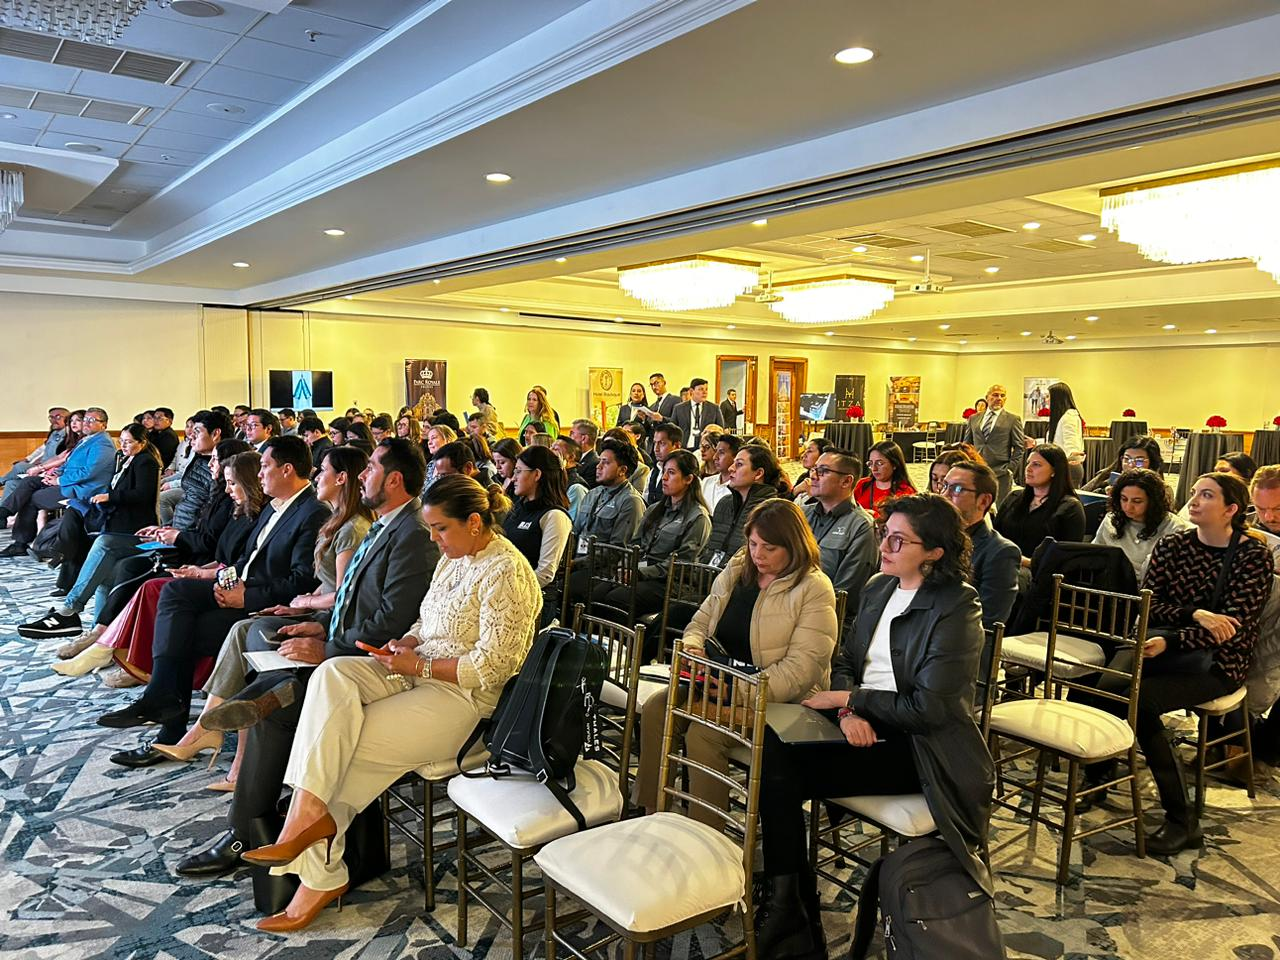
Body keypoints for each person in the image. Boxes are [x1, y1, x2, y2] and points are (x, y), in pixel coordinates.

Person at [236, 475, 540, 932]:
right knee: (333, 674)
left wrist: (417, 666)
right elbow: (426, 618)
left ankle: (316, 870)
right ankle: (306, 816)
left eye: (440, 529)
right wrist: (406, 643)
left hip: (465, 701)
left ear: (474, 523)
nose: (433, 538)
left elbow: (491, 668)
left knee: (341, 743)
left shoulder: (508, 571)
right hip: (416, 670)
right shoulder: (453, 557)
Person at [174, 440, 439, 877]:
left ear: (393, 479)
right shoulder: (385, 524)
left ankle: (247, 827)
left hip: (377, 662)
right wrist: (319, 625)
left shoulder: (411, 532)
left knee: (277, 708)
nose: (362, 475)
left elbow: (394, 619)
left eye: (369, 467)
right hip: (350, 648)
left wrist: (328, 646)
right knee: (270, 652)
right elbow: (354, 598)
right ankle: (265, 780)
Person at [754, 493, 992, 958]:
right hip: (864, 720)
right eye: (885, 534)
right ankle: (788, 906)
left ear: (935, 552)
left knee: (778, 771)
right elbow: (845, 659)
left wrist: (850, 700)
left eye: (899, 540)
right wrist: (848, 713)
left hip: (921, 748)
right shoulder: (881, 586)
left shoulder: (957, 607)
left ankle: (790, 912)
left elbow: (930, 709)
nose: (884, 545)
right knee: (770, 745)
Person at [1079, 472, 1274, 854]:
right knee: (1100, 688)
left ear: (1231, 510)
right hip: (1161, 642)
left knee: (1144, 703)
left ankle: (1182, 820)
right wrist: (1197, 614)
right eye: (1196, 493)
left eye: (1207, 495)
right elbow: (1151, 602)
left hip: (1217, 663)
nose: (1195, 500)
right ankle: (1099, 774)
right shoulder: (1174, 545)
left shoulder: (1252, 556)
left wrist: (1174, 637)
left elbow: (1233, 627)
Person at [95, 436, 329, 745]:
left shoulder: (311, 512)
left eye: (265, 467)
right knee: (174, 592)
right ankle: (163, 702)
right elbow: (246, 559)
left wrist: (244, 596)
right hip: (240, 587)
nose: (259, 475)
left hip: (266, 602)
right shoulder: (275, 507)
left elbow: (302, 581)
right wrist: (223, 581)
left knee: (184, 629)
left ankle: (169, 721)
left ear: (286, 470)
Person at [636, 498, 836, 826]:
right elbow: (701, 619)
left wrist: (736, 692)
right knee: (659, 708)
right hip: (721, 678)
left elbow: (801, 670)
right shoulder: (741, 564)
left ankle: (707, 834)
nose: (758, 554)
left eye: (769, 548)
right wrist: (693, 648)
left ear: (794, 546)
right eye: (753, 543)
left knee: (703, 734)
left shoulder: (813, 587)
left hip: (780, 698)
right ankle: (652, 811)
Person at [17, 423, 162, 639]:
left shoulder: (145, 462)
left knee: (102, 545)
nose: (123, 445)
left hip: (136, 529)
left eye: (128, 442)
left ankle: (70, 608)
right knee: (103, 571)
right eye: (121, 441)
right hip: (117, 523)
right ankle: (97, 630)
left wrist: (109, 497)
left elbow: (142, 495)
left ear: (141, 443)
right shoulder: (124, 459)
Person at [600, 450, 710, 639]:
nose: (664, 478)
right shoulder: (655, 509)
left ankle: (625, 649)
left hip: (670, 582)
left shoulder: (698, 517)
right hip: (641, 572)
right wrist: (625, 567)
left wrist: (640, 573)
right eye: (664, 472)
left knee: (617, 599)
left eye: (672, 473)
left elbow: (680, 563)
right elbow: (635, 546)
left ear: (689, 479)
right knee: (598, 592)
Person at [0, 407, 117, 557]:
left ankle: (19, 543)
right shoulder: (86, 440)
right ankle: (4, 513)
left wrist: (59, 480)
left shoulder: (102, 444)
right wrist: (54, 474)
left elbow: (89, 472)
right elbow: (68, 464)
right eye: (85, 419)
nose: (86, 423)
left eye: (92, 420)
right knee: (30, 482)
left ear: (104, 425)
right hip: (69, 482)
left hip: (83, 489)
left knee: (31, 498)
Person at [942, 460, 1020, 629]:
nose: (945, 495)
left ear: (983, 501)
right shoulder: (931, 540)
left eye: (957, 489)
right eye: (944, 486)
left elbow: (989, 622)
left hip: (960, 646)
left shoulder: (1000, 552)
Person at [502, 445, 572, 625]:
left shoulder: (554, 516)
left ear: (537, 474)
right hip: (505, 593)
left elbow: (545, 573)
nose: (513, 478)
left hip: (533, 600)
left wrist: (507, 592)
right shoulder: (518, 507)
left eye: (518, 471)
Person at [803, 449, 878, 610]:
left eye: (823, 471)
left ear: (846, 481)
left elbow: (846, 594)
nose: (813, 476)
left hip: (826, 617)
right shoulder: (802, 514)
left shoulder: (861, 526)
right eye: (814, 469)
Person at [994, 442, 1087, 564]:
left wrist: (1026, 562)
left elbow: (1067, 558)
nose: (1028, 468)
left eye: (1036, 465)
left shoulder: (1070, 508)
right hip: (1002, 565)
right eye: (1028, 463)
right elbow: (995, 536)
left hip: (1039, 574)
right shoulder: (1014, 498)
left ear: (1054, 471)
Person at [1092, 468, 1191, 580]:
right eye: (1124, 499)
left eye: (1137, 501)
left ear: (1153, 502)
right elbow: (1094, 555)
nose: (1128, 507)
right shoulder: (1111, 520)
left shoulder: (1176, 528)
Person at [700, 443, 780, 567]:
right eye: (733, 463)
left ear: (758, 473)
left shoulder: (771, 511)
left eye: (739, 464)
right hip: (708, 577)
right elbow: (710, 547)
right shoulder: (725, 503)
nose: (731, 468)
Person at [963, 384, 1025, 503]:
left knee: (999, 507)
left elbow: (1019, 447)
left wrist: (1010, 468)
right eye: (995, 395)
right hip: (977, 470)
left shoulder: (1013, 419)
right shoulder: (974, 418)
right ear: (987, 397)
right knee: (976, 504)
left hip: (1001, 472)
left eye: (1003, 396)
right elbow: (967, 444)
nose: (999, 398)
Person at [0, 406, 67, 495]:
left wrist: (41, 467)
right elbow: (43, 450)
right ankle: (4, 508)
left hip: (52, 471)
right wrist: (29, 460)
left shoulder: (69, 436)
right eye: (51, 417)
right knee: (11, 483)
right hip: (42, 466)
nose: (54, 420)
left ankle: (1, 481)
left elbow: (62, 459)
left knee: (20, 467)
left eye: (58, 417)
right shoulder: (54, 433)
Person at [853, 440, 915, 518]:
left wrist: (875, 516)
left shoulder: (906, 492)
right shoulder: (863, 484)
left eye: (879, 463)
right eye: (871, 464)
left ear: (894, 464)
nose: (874, 469)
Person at [1082, 435, 1164, 492]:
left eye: (1139, 461)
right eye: (1127, 459)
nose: (1131, 465)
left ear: (1152, 462)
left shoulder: (1162, 488)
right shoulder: (1106, 477)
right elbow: (1082, 494)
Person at [1045, 382, 1085, 486]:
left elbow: (1072, 444)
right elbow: (1057, 441)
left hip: (1068, 468)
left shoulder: (1069, 418)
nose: (1047, 400)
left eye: (1049, 396)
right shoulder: (1063, 417)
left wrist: (1073, 456)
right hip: (1063, 466)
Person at [671, 377, 724, 450]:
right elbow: (672, 430)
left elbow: (720, 430)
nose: (705, 392)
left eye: (706, 389)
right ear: (691, 391)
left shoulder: (714, 408)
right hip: (684, 448)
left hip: (705, 449)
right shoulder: (679, 408)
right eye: (701, 389)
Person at [701, 432, 740, 512]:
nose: (715, 457)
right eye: (715, 451)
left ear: (735, 456)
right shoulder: (706, 482)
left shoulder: (739, 487)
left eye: (721, 452)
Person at [647, 422, 682, 505]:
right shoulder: (654, 471)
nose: (656, 449)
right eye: (655, 443)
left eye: (662, 443)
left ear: (676, 446)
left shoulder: (683, 472)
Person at [570, 419, 601, 490]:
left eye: (572, 433)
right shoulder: (576, 458)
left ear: (584, 438)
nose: (570, 437)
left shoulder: (594, 464)